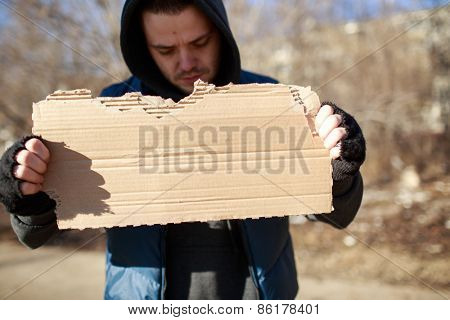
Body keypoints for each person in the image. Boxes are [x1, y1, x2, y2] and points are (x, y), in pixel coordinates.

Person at [0, 0, 366, 300]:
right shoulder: (108, 110)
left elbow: (337, 215)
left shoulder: (273, 99)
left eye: (200, 42)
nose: (186, 62)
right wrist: (28, 194)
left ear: (221, 33)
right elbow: (35, 236)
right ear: (143, 48)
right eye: (165, 49)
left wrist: (338, 171)